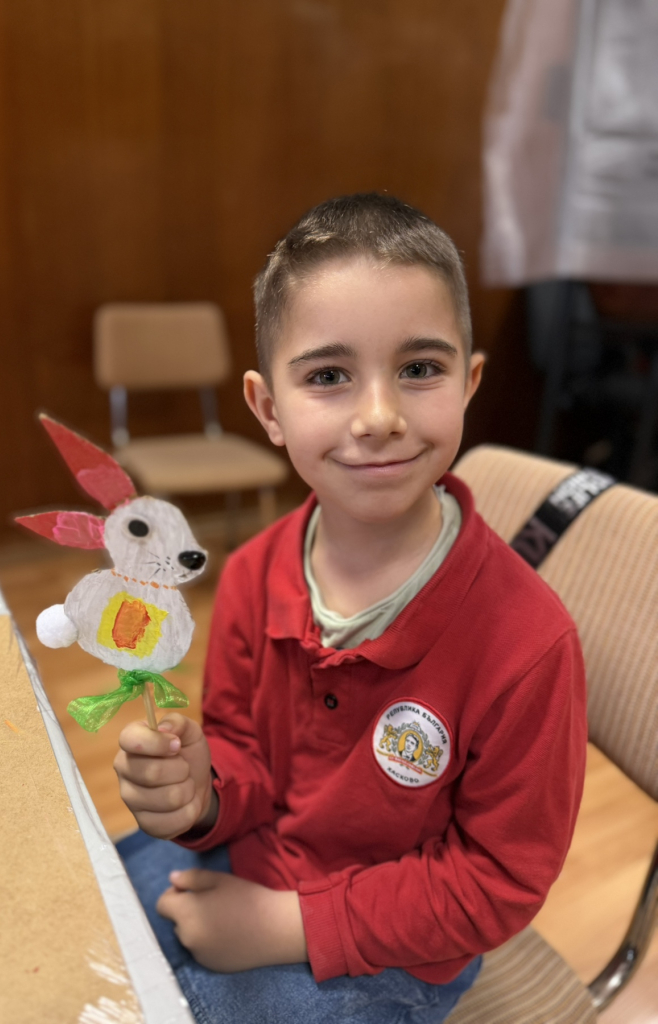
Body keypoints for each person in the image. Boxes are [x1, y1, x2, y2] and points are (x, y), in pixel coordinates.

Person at [114, 193, 588, 1024]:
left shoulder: (531, 643)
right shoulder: (254, 573)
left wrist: (286, 924)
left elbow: (497, 881)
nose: (378, 417)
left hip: (395, 949)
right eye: (329, 377)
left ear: (469, 383)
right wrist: (202, 796)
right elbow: (243, 748)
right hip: (252, 853)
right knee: (89, 922)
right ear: (268, 409)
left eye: (420, 369)